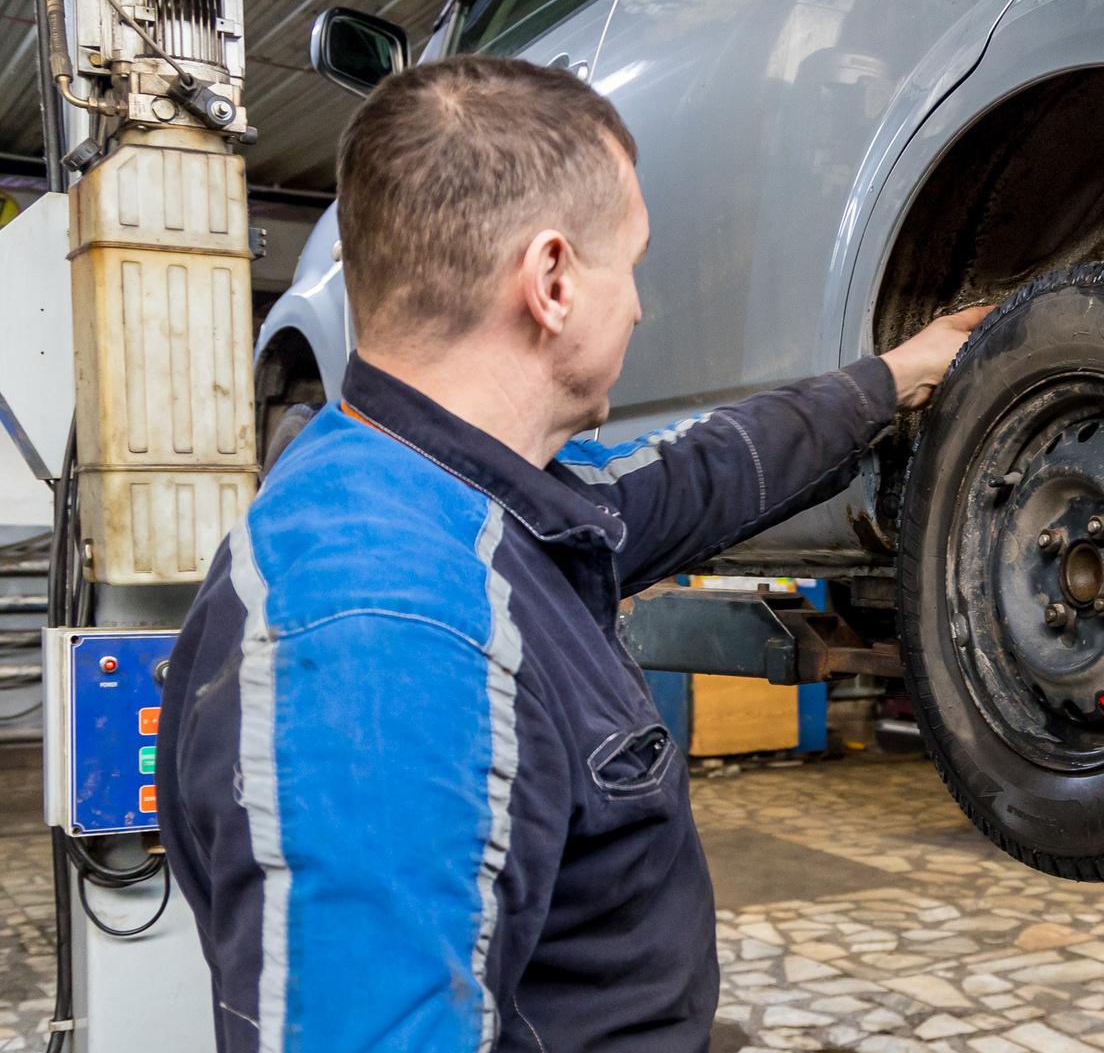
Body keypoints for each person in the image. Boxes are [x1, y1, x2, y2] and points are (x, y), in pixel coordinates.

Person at [155, 54, 988, 1052]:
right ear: (551, 279)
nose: (638, 304)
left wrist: (896, 374)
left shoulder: (453, 480)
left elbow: (701, 472)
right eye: (629, 264)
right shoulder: (384, 633)